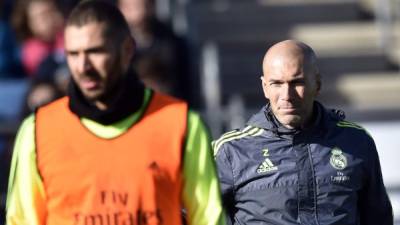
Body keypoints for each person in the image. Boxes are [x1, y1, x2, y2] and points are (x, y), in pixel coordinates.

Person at [6, 1, 225, 225]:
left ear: (127, 50)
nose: (83, 67)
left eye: (96, 51)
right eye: (73, 54)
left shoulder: (182, 125)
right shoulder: (37, 131)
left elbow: (208, 218)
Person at [213, 40, 393, 225]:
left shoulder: (356, 141)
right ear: (265, 87)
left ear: (317, 84)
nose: (287, 96)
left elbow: (379, 218)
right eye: (276, 83)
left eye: (297, 82)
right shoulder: (231, 151)